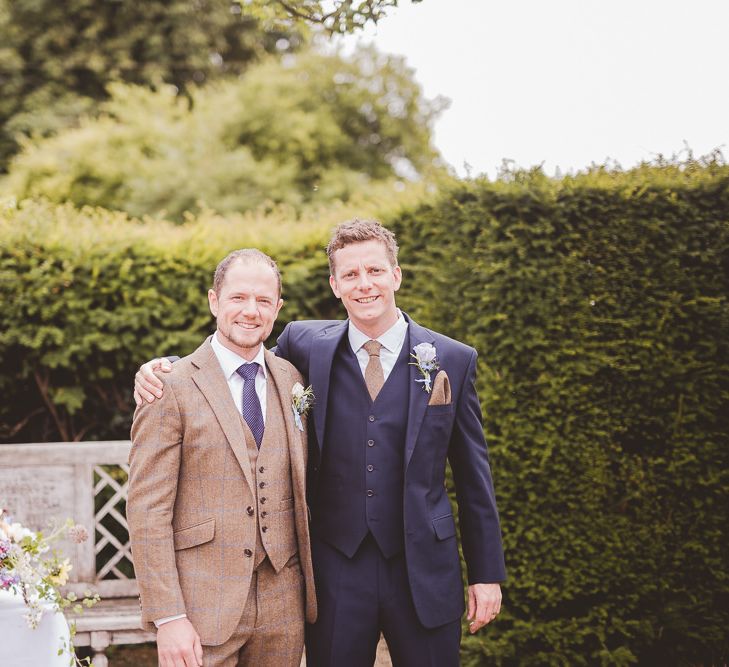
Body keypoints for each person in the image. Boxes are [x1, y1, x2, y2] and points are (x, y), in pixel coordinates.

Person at [135, 219, 506, 667]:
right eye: (350, 275)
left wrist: (486, 574)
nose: (364, 284)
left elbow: (474, 477)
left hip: (423, 570)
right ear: (334, 284)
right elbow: (229, 361)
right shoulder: (304, 347)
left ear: (397, 275)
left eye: (374, 271)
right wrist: (164, 367)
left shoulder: (452, 359)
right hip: (334, 573)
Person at [127, 249, 316, 667]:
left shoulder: (293, 379)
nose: (251, 311)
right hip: (200, 605)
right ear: (214, 301)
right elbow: (147, 510)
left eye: (264, 301)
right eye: (238, 298)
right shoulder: (169, 386)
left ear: (278, 309)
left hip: (284, 604)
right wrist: (169, 616)